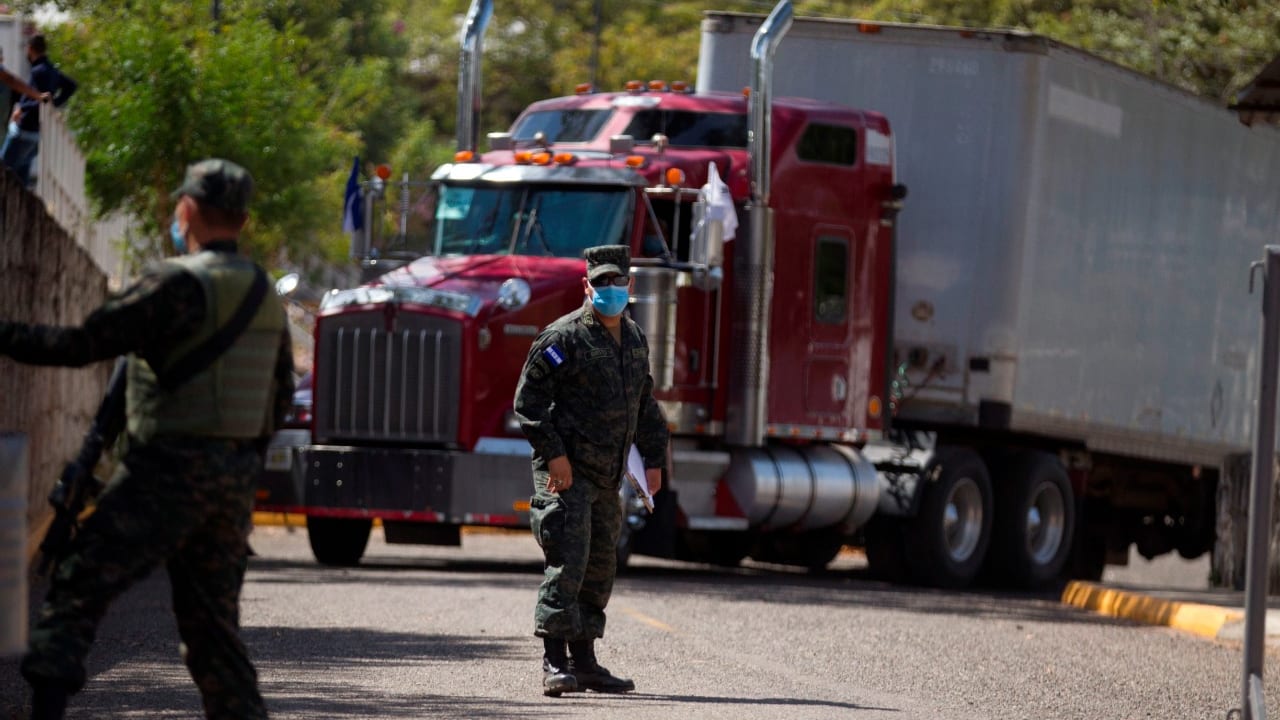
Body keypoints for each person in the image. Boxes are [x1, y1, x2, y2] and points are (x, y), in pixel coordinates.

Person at [3, 158, 290, 720]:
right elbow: (279, 399)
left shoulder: (174, 283)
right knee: (214, 636)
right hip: (231, 486)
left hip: (167, 471)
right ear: (244, 218)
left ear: (186, 209)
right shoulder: (264, 295)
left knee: (76, 589)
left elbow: (83, 344)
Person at [513, 244, 669, 696]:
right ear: (587, 286)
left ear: (630, 285)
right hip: (567, 475)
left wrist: (653, 460)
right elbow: (529, 402)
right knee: (568, 563)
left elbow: (644, 404)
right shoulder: (563, 339)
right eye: (601, 282)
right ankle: (554, 662)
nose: (610, 290)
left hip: (608, 476)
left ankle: (585, 662)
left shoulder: (635, 339)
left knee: (600, 567)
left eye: (617, 282)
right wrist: (555, 455)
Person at [1, 33, 77, 187]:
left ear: (30, 49)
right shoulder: (51, 69)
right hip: (37, 132)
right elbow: (71, 86)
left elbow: (38, 98)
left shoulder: (38, 70)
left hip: (25, 129)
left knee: (4, 170)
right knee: (20, 179)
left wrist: (22, 108)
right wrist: (54, 103)